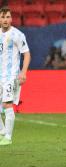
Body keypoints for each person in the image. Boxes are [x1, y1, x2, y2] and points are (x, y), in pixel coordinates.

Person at [0, 7, 31, 145]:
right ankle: (2, 131)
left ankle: (8, 137)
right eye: (3, 17)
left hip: (11, 75)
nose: (5, 20)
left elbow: (26, 54)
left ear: (11, 19)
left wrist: (23, 72)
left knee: (7, 104)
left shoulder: (17, 35)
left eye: (7, 17)